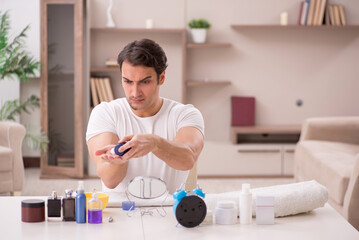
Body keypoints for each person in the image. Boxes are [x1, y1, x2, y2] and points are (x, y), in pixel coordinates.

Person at [86, 38, 204, 193]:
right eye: (128, 81)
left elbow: (187, 159)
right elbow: (110, 180)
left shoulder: (185, 114)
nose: (135, 92)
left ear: (161, 78)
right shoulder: (105, 113)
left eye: (145, 82)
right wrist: (120, 158)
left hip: (169, 211)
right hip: (120, 213)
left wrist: (154, 143)